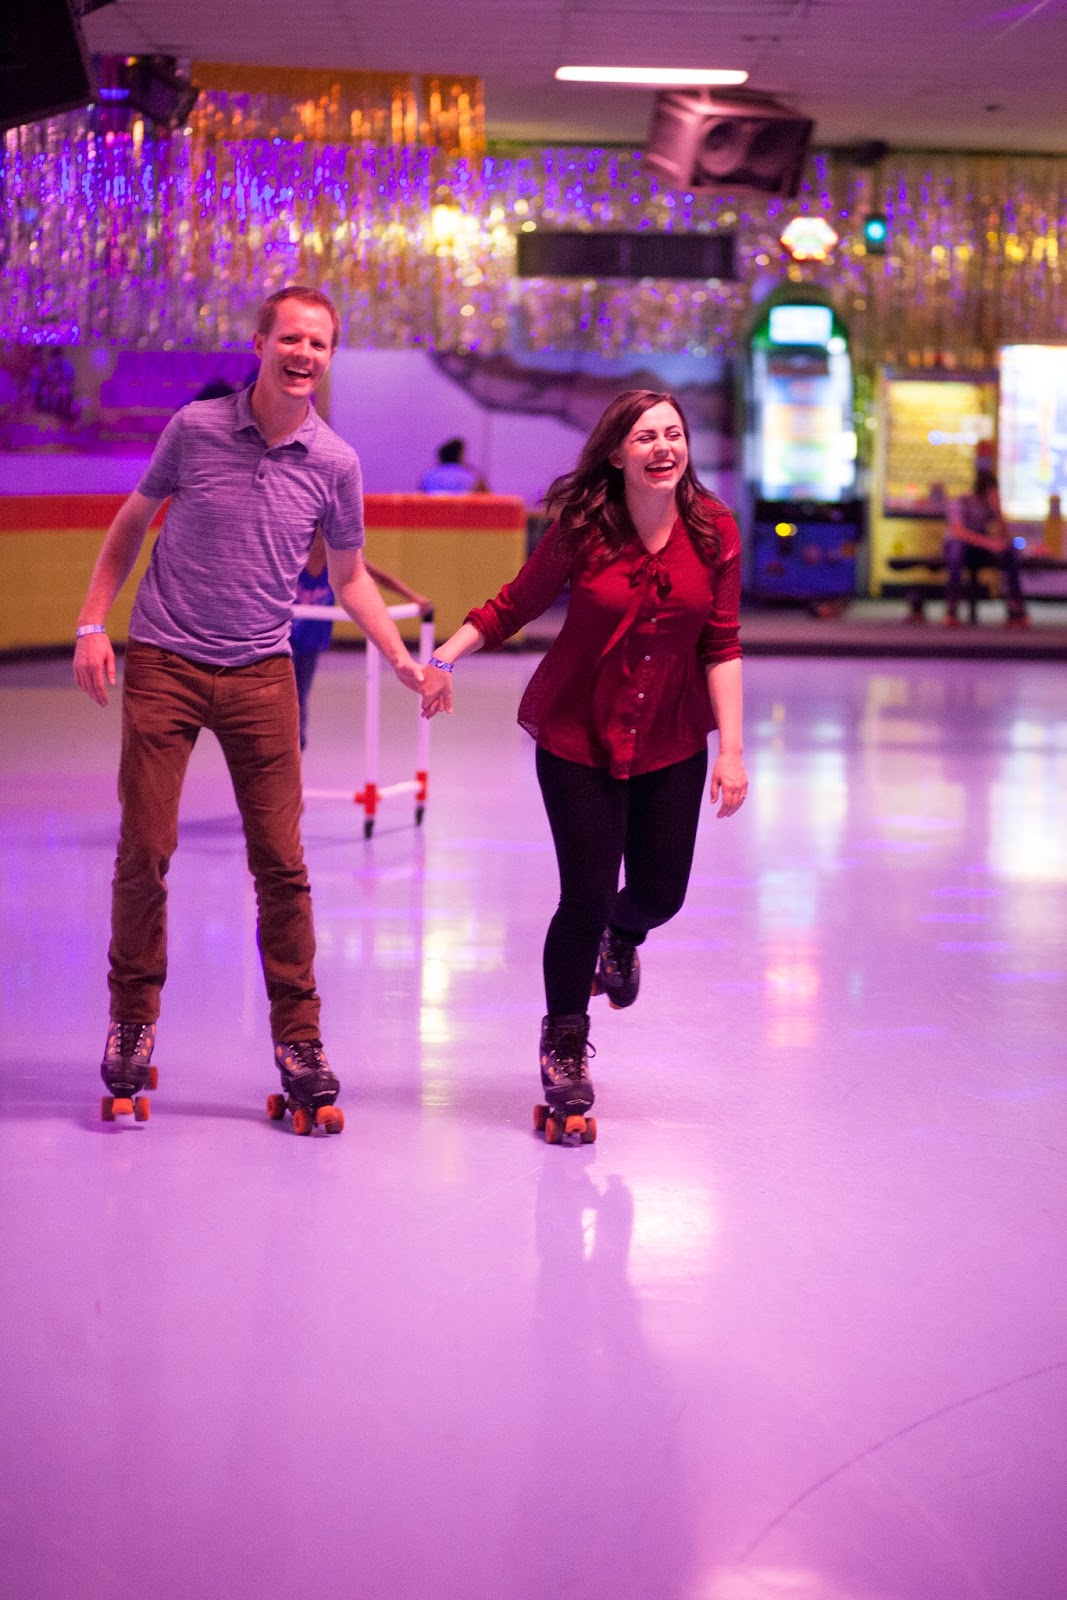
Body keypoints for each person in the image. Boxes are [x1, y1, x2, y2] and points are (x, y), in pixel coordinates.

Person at [73, 285, 423, 1132]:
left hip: (262, 673)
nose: (305, 355)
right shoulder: (195, 431)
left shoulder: (335, 462)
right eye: (292, 339)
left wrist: (403, 657)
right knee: (146, 849)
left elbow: (347, 577)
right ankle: (131, 1022)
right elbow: (130, 523)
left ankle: (300, 1042)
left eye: (322, 345)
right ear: (261, 342)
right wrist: (93, 622)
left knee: (283, 864)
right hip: (165, 660)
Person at [420, 390, 746, 1140]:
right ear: (615, 453)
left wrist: (730, 748)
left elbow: (721, 643)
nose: (662, 447)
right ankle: (564, 1042)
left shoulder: (713, 528)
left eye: (673, 434)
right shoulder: (583, 527)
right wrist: (443, 658)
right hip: (578, 734)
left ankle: (621, 938)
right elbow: (514, 603)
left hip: (670, 734)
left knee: (659, 893)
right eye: (644, 437)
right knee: (586, 893)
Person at [943, 467, 1028, 627]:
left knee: (1009, 551)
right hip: (958, 548)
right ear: (983, 492)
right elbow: (958, 531)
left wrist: (998, 511)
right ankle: (951, 610)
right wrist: (989, 543)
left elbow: (1005, 537)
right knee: (957, 550)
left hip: (978, 549)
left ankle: (1017, 611)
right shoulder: (961, 502)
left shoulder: (990, 506)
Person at [290, 529, 335, 751]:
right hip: (282, 639)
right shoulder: (293, 556)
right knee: (282, 694)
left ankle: (297, 747)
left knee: (300, 696)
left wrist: (414, 598)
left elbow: (379, 577)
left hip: (311, 642)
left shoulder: (338, 559)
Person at [420, 436, 487, 494]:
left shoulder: (429, 476)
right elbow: (487, 499)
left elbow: (419, 498)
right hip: (461, 508)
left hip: (436, 508)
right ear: (459, 456)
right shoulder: (470, 477)